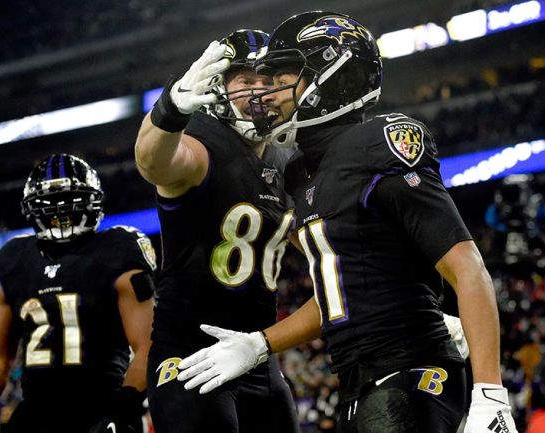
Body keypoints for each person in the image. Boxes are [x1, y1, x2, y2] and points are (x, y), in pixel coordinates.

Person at [176, 11, 519, 433]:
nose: (270, 91)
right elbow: (336, 291)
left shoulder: (378, 143)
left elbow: (467, 265)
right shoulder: (300, 172)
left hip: (410, 371)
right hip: (360, 384)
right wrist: (258, 345)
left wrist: (491, 392)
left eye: (286, 75)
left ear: (330, 78)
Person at [134, 30, 300, 433]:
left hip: (257, 355)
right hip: (190, 349)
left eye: (269, 82)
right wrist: (170, 109)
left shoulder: (288, 160)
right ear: (220, 87)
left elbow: (325, 247)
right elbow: (154, 162)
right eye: (246, 81)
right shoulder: (203, 142)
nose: (259, 91)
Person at [0, 154, 157, 433]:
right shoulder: (15, 260)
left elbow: (149, 346)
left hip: (102, 407)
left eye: (70, 203)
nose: (60, 214)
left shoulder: (117, 250)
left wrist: (123, 410)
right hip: (36, 411)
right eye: (49, 206)